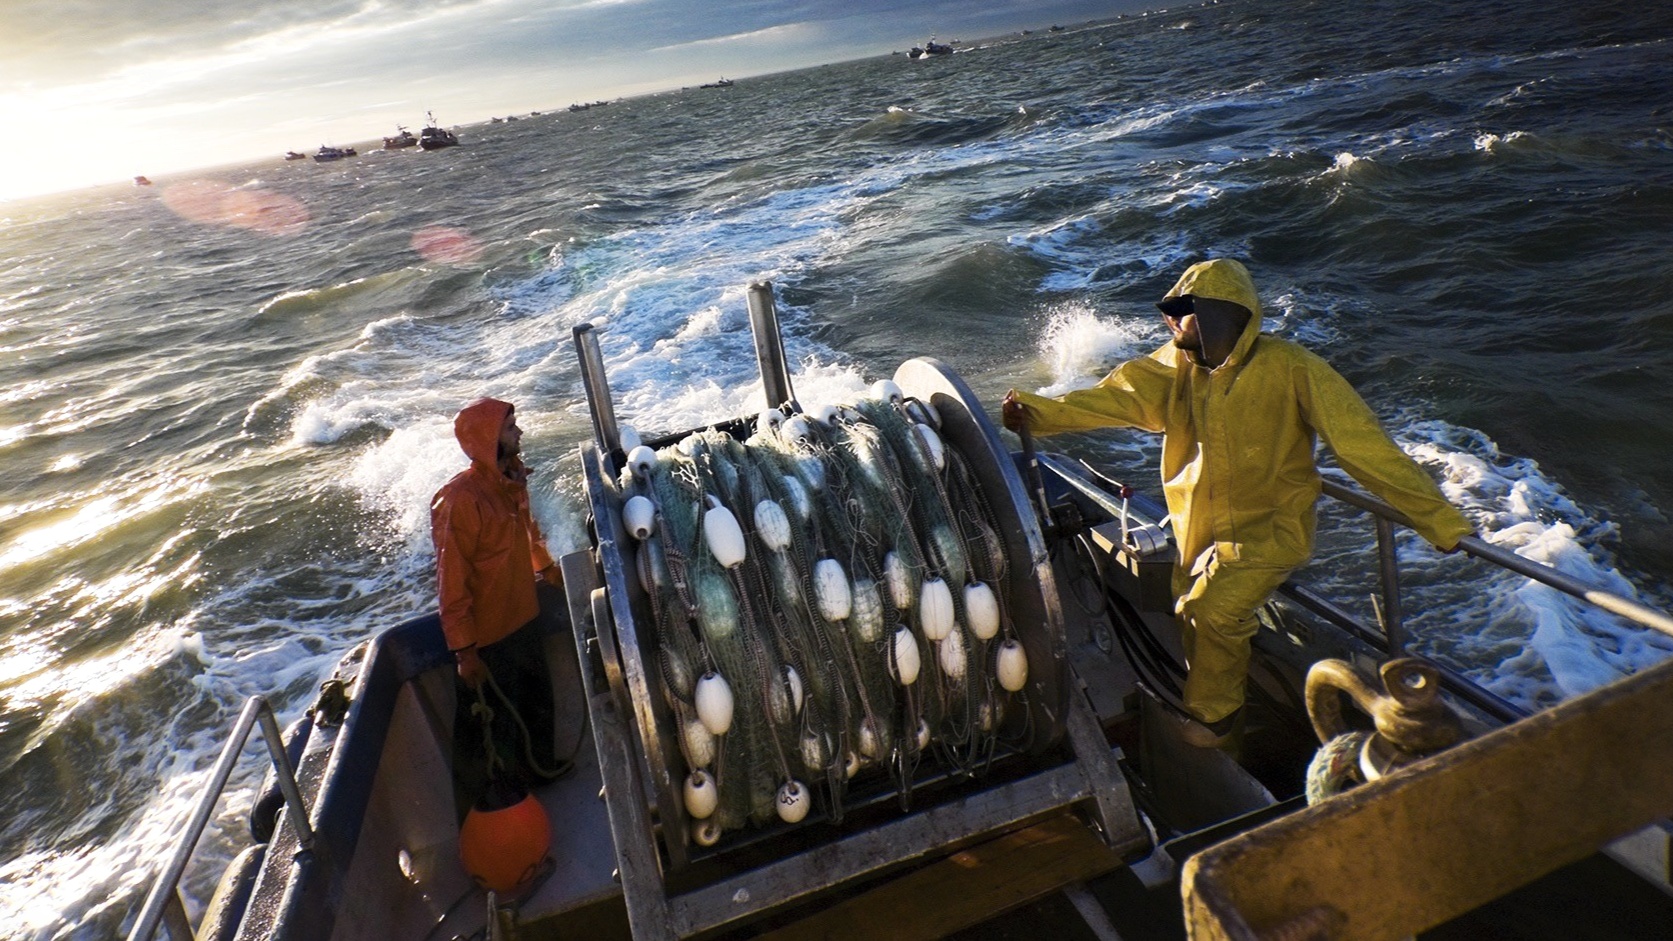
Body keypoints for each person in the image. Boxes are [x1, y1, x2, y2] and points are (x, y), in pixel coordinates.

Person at [1002, 259, 1472, 747]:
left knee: (1213, 611)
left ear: (1223, 317)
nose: (1176, 323)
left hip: (1270, 529)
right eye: (1175, 313)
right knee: (1188, 609)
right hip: (1195, 526)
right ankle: (1230, 728)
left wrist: (1440, 522)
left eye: (1187, 313)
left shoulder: (1293, 369)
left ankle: (1216, 721)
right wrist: (1034, 413)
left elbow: (1364, 448)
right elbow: (1107, 400)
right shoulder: (1173, 369)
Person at [432, 397, 568, 819]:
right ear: (490, 440)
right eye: (511, 428)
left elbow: (527, 531)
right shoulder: (459, 501)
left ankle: (541, 773)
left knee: (537, 707)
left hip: (524, 620)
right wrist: (464, 652)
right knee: (489, 736)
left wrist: (546, 567)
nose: (520, 433)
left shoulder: (512, 481)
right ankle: (484, 818)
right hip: (487, 641)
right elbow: (450, 584)